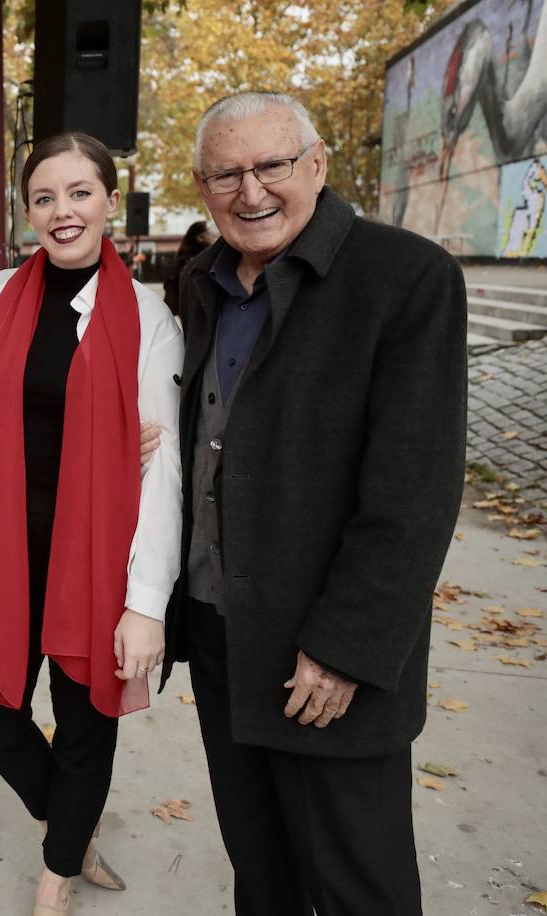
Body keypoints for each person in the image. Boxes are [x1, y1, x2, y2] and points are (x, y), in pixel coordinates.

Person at [162, 91, 466, 914]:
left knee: (358, 888)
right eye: (226, 173)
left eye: (272, 166)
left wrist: (346, 650)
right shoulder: (202, 282)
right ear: (202, 184)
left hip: (327, 659)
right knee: (262, 878)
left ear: (318, 166)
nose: (250, 190)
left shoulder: (406, 278)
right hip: (225, 630)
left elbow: (415, 491)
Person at [0, 132, 184, 916]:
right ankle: (66, 822)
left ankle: (58, 871)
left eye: (79, 193)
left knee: (86, 723)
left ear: (107, 199)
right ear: (26, 211)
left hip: (94, 560)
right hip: (5, 551)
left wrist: (146, 604)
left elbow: (163, 473)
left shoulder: (148, 318)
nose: (62, 212)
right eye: (44, 197)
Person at [162, 220, 214, 315]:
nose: (215, 236)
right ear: (200, 238)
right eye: (211, 233)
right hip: (196, 313)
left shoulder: (189, 258)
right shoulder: (194, 261)